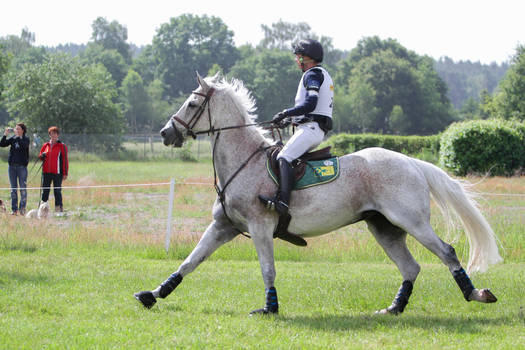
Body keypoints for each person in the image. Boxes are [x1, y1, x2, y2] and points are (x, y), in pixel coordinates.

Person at [259, 39, 334, 217]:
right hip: (312, 127)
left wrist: (285, 113)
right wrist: (288, 120)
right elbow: (312, 110)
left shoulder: (312, 75)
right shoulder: (321, 73)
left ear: (305, 58)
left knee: (284, 156)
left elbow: (311, 103)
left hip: (311, 130)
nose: (296, 60)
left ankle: (283, 202)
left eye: (298, 57)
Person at [1, 123, 30, 215]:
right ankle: (14, 210)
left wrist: (17, 137)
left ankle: (22, 209)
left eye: (18, 129)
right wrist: (5, 134)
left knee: (23, 189)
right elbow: (2, 144)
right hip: (12, 167)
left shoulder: (26, 139)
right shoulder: (13, 138)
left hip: (22, 167)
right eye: (16, 129)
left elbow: (23, 146)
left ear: (23, 130)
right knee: (13, 189)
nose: (16, 131)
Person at [39, 126, 68, 213]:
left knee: (57, 191)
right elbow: (40, 156)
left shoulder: (62, 146)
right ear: (49, 135)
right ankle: (43, 209)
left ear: (58, 135)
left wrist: (65, 173)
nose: (53, 135)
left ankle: (58, 209)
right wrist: (41, 156)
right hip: (46, 172)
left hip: (57, 173)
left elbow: (65, 160)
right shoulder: (45, 145)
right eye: (51, 134)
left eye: (55, 133)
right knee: (45, 191)